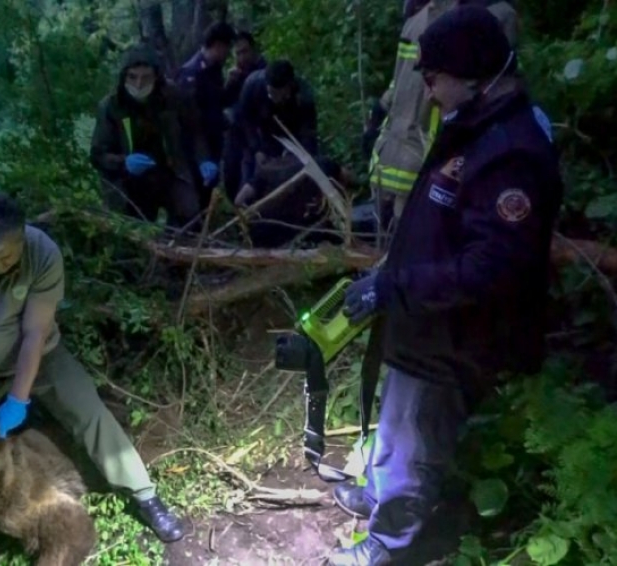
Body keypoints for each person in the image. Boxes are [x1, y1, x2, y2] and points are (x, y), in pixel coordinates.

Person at [327, 6, 563, 565]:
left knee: (414, 441)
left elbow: (493, 269)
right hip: (422, 314)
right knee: (398, 422)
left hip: (453, 333)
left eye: (433, 80)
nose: (429, 95)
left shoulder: (513, 152)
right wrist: (391, 278)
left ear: (472, 72)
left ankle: (387, 546)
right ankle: (382, 497)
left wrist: (399, 286)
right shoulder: (473, 121)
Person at [0, 192, 186, 543]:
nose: (1, 265)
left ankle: (145, 496)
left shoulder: (42, 252)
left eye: (8, 256)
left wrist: (18, 399)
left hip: (43, 357)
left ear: (23, 235)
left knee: (90, 413)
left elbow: (35, 333)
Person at [365, 0, 518, 240]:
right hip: (408, 159)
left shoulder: (429, 19)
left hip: (411, 160)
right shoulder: (428, 17)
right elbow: (402, 82)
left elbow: (487, 93)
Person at [90, 42, 215, 229]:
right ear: (124, 76)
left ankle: (181, 252)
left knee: (189, 211)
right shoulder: (111, 106)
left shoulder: (173, 97)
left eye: (146, 77)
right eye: (133, 77)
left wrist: (203, 159)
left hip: (168, 171)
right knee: (131, 227)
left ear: (156, 76)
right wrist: (124, 163)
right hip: (127, 181)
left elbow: (195, 131)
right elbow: (97, 155)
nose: (139, 84)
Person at [235, 59, 318, 189]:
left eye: (276, 94)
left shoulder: (303, 95)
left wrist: (296, 154)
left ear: (288, 87)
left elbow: (308, 131)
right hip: (261, 132)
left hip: (291, 133)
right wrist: (257, 148)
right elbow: (245, 121)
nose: (272, 97)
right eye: (270, 93)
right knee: (251, 172)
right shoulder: (253, 85)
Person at [174, 21, 237, 183]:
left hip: (214, 142)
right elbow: (188, 117)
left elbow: (217, 102)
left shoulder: (215, 70)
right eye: (227, 48)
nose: (228, 53)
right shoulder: (191, 73)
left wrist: (231, 86)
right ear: (217, 45)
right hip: (197, 149)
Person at [223, 30, 268, 200]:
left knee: (252, 175)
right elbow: (225, 102)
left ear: (253, 49)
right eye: (238, 53)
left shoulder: (264, 72)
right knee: (231, 173)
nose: (242, 57)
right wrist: (229, 84)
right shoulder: (236, 74)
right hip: (237, 131)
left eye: (245, 51)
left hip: (259, 130)